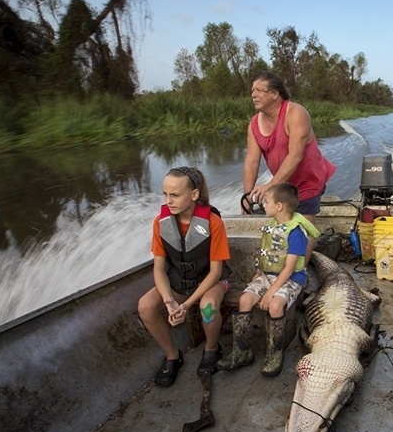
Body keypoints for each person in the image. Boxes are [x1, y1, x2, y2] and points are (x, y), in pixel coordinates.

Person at [137, 166, 231, 387]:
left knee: (207, 308)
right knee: (145, 306)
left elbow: (216, 271)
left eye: (175, 195)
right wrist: (169, 300)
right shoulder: (161, 222)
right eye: (165, 194)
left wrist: (187, 305)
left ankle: (211, 349)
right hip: (179, 282)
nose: (169, 201)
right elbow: (159, 268)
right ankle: (172, 355)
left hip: (210, 282)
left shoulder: (213, 223)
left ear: (194, 194)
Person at [218, 183, 320, 377]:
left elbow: (289, 268)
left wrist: (272, 291)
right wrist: (258, 275)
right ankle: (242, 351)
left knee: (274, 306)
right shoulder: (272, 226)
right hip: (267, 276)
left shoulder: (296, 232)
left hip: (290, 278)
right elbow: (267, 254)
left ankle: (274, 352)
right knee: (244, 300)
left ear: (279, 206)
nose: (263, 205)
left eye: (266, 202)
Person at [243, 70, 336, 257]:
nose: (253, 94)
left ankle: (300, 273)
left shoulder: (295, 113)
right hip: (284, 182)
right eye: (253, 90)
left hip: (309, 179)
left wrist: (270, 185)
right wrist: (246, 198)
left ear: (275, 94)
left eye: (260, 90)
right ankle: (282, 267)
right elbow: (252, 162)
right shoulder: (254, 124)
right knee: (282, 226)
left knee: (303, 231)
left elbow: (296, 156)